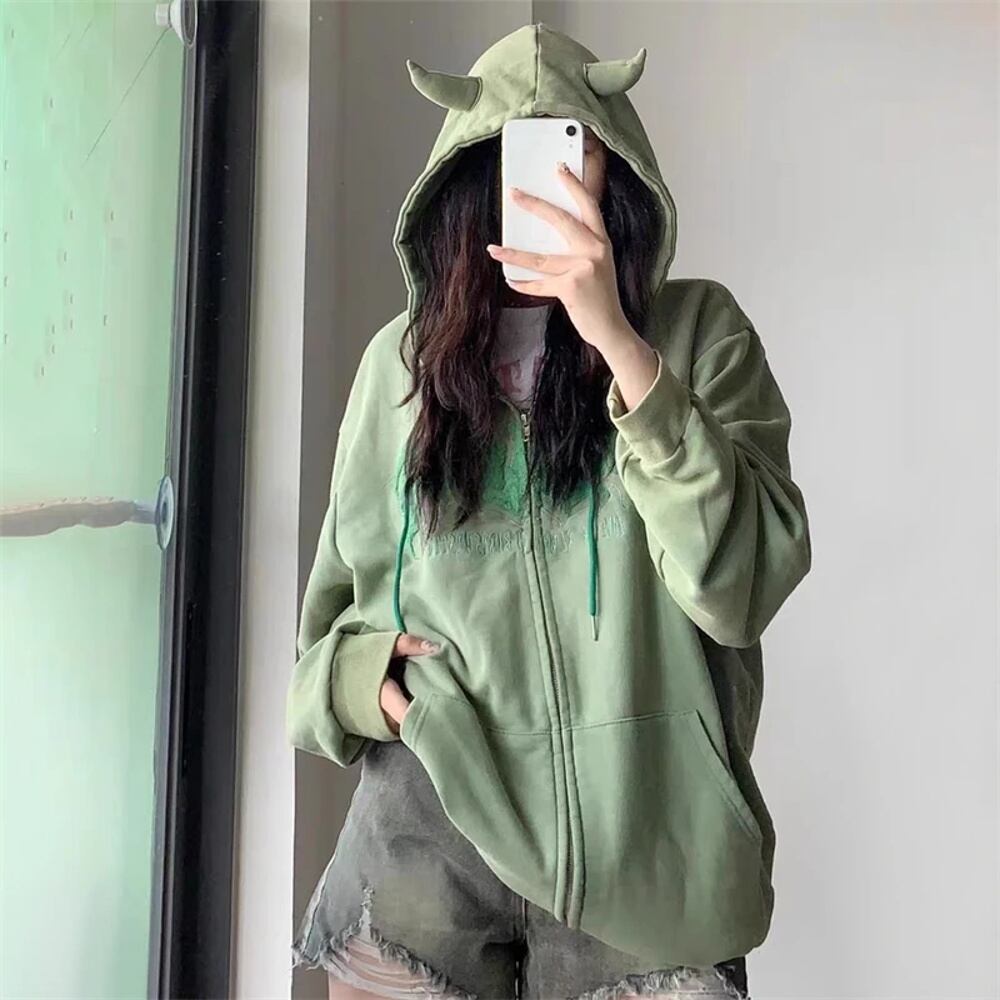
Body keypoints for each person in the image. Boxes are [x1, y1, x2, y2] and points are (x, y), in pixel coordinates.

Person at [287, 21, 811, 1000]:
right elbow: (324, 638)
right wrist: (362, 681)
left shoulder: (700, 335)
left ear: (619, 173)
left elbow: (738, 588)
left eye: (572, 150)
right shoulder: (398, 371)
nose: (542, 183)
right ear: (462, 181)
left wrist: (621, 345)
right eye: (507, 156)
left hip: (653, 858)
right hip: (424, 850)